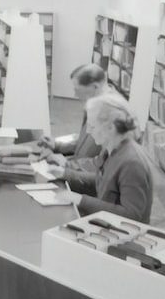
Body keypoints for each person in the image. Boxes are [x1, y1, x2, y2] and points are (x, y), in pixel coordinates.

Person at [0, 64, 109, 188]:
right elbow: (84, 139)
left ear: (95, 87)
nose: (75, 95)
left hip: (86, 179)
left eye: (77, 90)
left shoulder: (111, 114)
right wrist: (57, 144)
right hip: (75, 169)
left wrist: (68, 164)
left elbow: (103, 163)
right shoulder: (93, 103)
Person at [51, 93, 153, 223]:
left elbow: (131, 215)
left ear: (111, 127)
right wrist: (66, 174)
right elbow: (103, 180)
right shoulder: (113, 149)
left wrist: (80, 200)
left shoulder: (132, 163)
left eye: (92, 126)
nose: (88, 131)